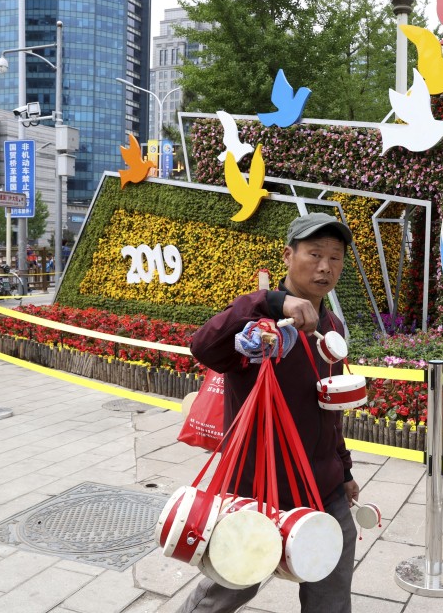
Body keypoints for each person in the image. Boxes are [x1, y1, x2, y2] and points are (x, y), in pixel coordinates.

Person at [181, 212, 358, 613]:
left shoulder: (332, 329)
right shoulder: (254, 322)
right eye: (314, 254)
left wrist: (344, 471)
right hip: (259, 489)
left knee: (331, 594)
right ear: (287, 256)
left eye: (335, 257)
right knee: (228, 589)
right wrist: (272, 301)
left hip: (322, 490)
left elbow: (330, 409)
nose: (326, 266)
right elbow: (203, 346)